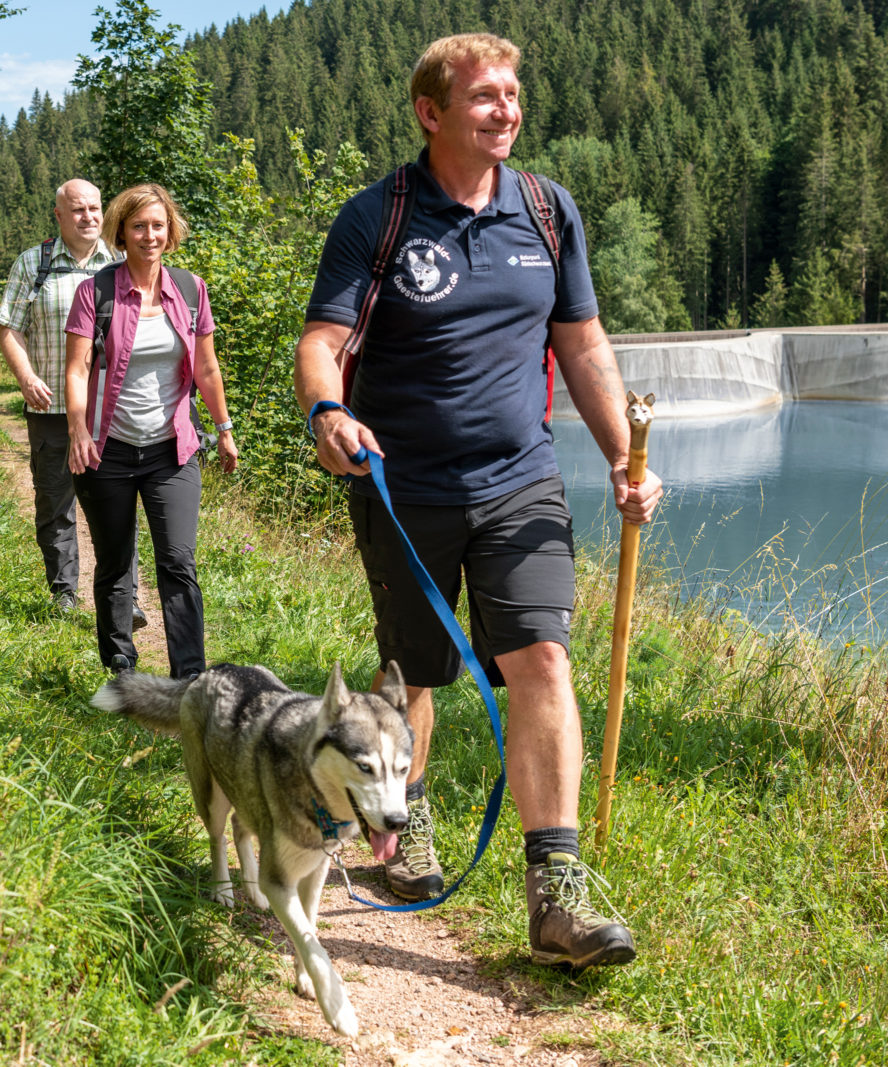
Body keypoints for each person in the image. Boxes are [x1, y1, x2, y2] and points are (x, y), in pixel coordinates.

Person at [293, 34, 662, 969]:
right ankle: (404, 824)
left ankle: (558, 898)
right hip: (402, 485)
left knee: (541, 655)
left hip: (520, 480)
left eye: (514, 94)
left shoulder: (546, 211)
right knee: (415, 674)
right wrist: (328, 412)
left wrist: (625, 456)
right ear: (433, 111)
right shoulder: (378, 218)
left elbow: (581, 345)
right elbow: (321, 341)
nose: (508, 110)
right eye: (486, 97)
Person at [65, 184, 239, 677]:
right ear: (121, 232)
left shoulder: (189, 289)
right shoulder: (95, 292)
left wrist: (223, 428)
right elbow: (77, 370)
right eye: (138, 226)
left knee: (179, 561)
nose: (149, 235)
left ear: (171, 230)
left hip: (173, 450)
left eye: (158, 225)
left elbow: (206, 367)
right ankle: (121, 668)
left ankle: (189, 678)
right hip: (107, 451)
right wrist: (78, 430)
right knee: (116, 564)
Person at [0, 178, 147, 628]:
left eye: (95, 209)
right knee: (55, 505)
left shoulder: (122, 262)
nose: (89, 218)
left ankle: (126, 600)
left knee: (117, 509)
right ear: (59, 216)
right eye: (78, 210)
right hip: (50, 411)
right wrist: (26, 378)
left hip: (109, 414)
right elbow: (9, 326)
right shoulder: (34, 263)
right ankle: (64, 595)